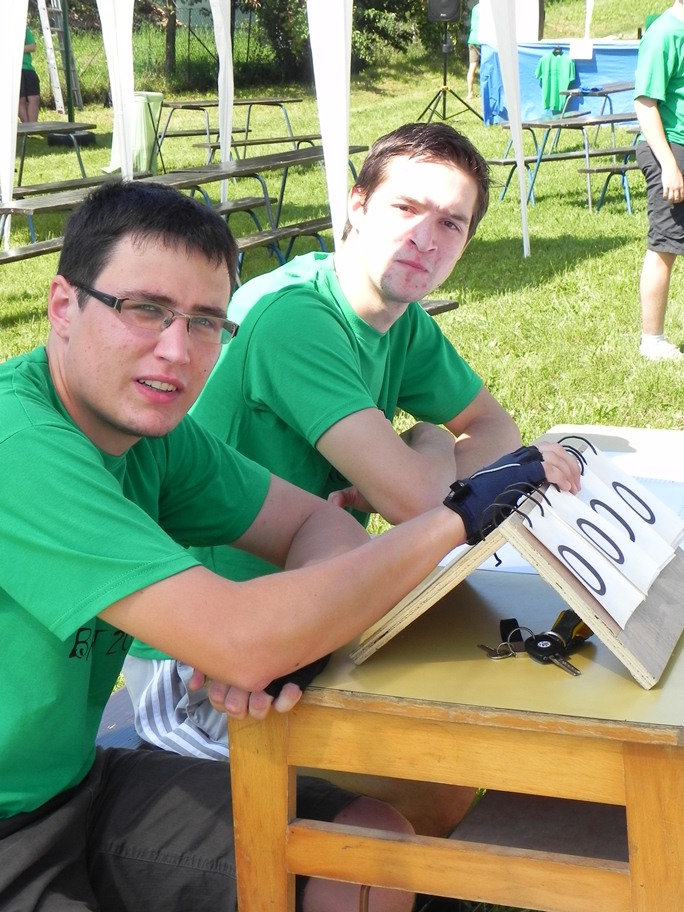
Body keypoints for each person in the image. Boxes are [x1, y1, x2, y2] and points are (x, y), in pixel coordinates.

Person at [0, 179, 580, 912]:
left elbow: (320, 526)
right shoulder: (21, 445)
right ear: (62, 306)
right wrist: (460, 515)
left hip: (75, 788)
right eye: (144, 309)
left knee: (367, 846)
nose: (176, 350)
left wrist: (289, 642)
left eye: (205, 322)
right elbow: (242, 641)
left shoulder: (153, 439)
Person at [124, 121, 522, 838]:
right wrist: (431, 440)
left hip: (317, 611)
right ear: (356, 205)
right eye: (407, 208)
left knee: (466, 748)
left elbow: (498, 432)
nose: (425, 239)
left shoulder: (400, 321)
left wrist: (420, 457)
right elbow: (418, 501)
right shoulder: (296, 318)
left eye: (450, 223)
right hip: (201, 661)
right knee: (422, 794)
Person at [634, 0, 684, 361]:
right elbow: (645, 104)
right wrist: (669, 165)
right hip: (670, 150)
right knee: (665, 245)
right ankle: (652, 340)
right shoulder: (664, 33)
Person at [19, 26, 40, 123]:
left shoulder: (24, 30)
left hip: (28, 68)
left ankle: (32, 126)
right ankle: (27, 125)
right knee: (20, 100)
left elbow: (32, 46)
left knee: (34, 98)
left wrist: (16, 48)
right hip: (13, 69)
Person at [466, 1, 480, 101]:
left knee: (472, 68)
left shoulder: (475, 8)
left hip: (472, 40)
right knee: (485, 68)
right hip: (482, 41)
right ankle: (484, 91)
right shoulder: (488, 9)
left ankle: (470, 93)